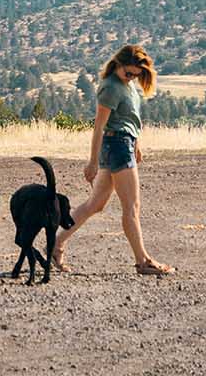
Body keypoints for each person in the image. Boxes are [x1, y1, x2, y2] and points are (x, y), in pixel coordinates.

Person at [52, 44, 175, 276]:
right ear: (118, 64)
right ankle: (143, 261)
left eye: (136, 75)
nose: (132, 77)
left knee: (95, 205)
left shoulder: (125, 85)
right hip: (117, 147)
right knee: (131, 207)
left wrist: (136, 142)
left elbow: (128, 119)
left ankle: (56, 245)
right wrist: (92, 162)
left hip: (122, 144)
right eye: (129, 73)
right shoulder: (110, 87)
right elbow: (99, 127)